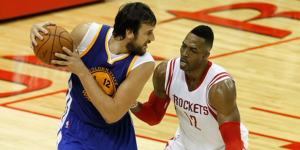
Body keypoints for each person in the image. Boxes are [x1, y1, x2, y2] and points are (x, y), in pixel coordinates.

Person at [29, 2, 156, 150]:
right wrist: (38, 36)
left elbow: (112, 114)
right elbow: (54, 54)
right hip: (76, 128)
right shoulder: (86, 35)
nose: (152, 38)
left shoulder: (143, 63)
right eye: (148, 32)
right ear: (129, 33)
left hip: (116, 136)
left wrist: (82, 71)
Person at [130, 25, 249, 150]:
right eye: (183, 46)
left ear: (205, 55)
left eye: (192, 50)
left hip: (222, 146)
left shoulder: (220, 87)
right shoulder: (165, 72)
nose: (184, 53)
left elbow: (233, 143)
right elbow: (154, 116)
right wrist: (131, 103)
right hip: (186, 143)